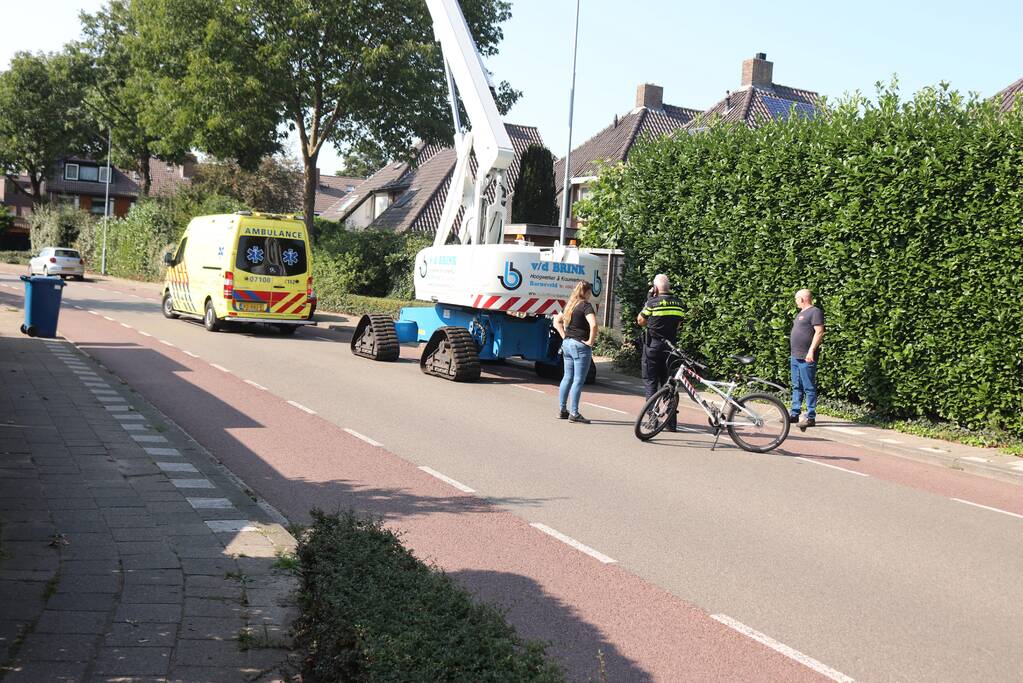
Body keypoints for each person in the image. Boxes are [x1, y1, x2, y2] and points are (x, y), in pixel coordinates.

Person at [636, 274, 684, 431]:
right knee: (669, 385)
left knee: (651, 382)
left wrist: (648, 299)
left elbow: (640, 321)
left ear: (655, 288)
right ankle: (671, 423)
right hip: (670, 351)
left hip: (653, 348)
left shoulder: (652, 303)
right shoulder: (679, 304)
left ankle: (652, 420)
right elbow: (678, 326)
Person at [553, 281, 598, 423]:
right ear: (586, 292)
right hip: (580, 346)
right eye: (589, 292)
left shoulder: (570, 304)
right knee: (578, 380)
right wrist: (590, 341)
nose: (590, 295)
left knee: (567, 377)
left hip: (567, 344)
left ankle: (562, 410)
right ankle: (574, 413)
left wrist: (564, 336)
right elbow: (594, 324)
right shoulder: (585, 305)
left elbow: (557, 322)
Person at [789, 288, 825, 428]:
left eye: (796, 299)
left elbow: (819, 332)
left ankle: (810, 417)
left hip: (806, 357)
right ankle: (794, 414)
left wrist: (811, 351)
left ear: (802, 299)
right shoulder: (800, 314)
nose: (796, 302)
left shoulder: (815, 312)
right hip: (795, 356)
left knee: (809, 387)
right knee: (796, 386)